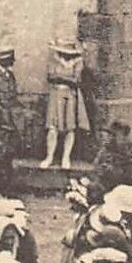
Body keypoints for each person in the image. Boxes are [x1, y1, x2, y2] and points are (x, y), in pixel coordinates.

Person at [40, 40, 90, 170]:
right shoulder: (54, 61)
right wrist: (64, 78)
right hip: (55, 95)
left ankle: (66, 157)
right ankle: (49, 156)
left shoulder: (78, 62)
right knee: (52, 127)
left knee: (70, 128)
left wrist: (61, 78)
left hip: (70, 95)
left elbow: (76, 80)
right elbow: (51, 77)